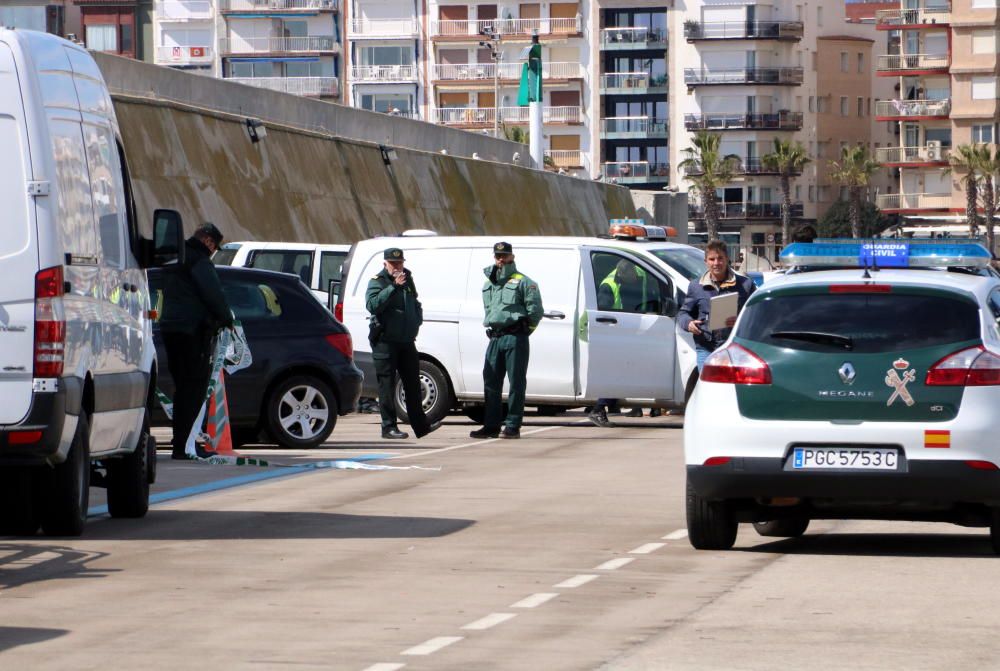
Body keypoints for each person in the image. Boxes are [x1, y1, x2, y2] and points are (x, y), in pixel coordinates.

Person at [160, 223, 235, 460]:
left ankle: (181, 443)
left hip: (170, 330)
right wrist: (226, 319)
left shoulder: (173, 259)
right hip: (193, 333)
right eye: (214, 246)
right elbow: (213, 294)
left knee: (182, 389)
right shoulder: (200, 262)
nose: (213, 251)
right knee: (193, 390)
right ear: (208, 242)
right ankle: (185, 445)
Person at [470, 242, 544, 440]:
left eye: (505, 256)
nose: (501, 259)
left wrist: (523, 332)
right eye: (498, 256)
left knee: (516, 383)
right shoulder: (489, 284)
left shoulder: (524, 282)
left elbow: (535, 312)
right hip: (495, 338)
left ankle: (512, 425)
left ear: (512, 256)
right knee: (491, 382)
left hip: (515, 337)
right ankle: (491, 425)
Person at [366, 248, 440, 440]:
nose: (397, 267)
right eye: (393, 263)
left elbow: (415, 301)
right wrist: (394, 288)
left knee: (413, 384)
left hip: (406, 341)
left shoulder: (408, 280)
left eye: (400, 263)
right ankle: (388, 427)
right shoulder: (377, 282)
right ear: (385, 264)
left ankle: (420, 426)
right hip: (385, 341)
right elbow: (372, 305)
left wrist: (417, 318)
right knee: (387, 385)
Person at [677, 240, 756, 373]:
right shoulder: (696, 286)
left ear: (727, 259)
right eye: (712, 259)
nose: (716, 263)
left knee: (731, 390)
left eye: (720, 258)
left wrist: (740, 322)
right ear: (706, 262)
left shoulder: (745, 285)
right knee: (708, 389)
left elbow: (756, 315)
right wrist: (689, 323)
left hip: (735, 348)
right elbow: (683, 313)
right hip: (706, 348)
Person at [589, 260, 650, 428]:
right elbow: (604, 314)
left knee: (636, 368)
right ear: (620, 274)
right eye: (627, 278)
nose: (632, 279)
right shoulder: (608, 285)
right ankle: (599, 408)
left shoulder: (642, 273)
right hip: (618, 333)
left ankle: (636, 406)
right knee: (619, 371)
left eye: (633, 277)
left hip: (639, 327)